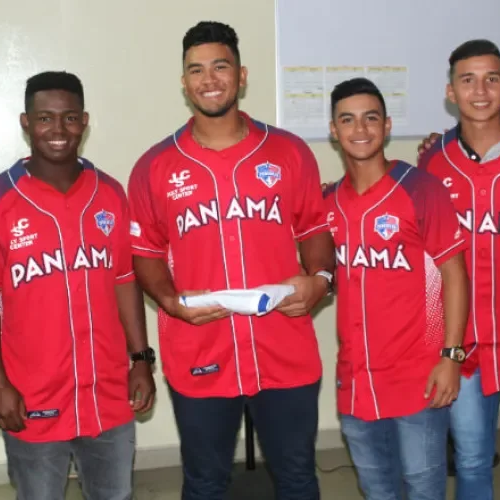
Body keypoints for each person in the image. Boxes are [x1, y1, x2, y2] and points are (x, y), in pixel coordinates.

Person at [127, 21, 335, 500]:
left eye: (220, 66)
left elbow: (314, 230)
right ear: (184, 83)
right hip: (201, 346)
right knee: (204, 483)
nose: (209, 79)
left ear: (241, 76)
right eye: (195, 70)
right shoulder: (155, 166)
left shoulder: (288, 152)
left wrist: (320, 280)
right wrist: (171, 301)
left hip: (283, 346)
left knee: (298, 478)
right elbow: (145, 253)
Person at [0, 70, 156, 500]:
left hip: (106, 392)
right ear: (25, 122)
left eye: (69, 118)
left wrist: (141, 359)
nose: (58, 130)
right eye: (45, 118)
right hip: (32, 395)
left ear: (84, 122)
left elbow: (125, 280)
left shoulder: (109, 193)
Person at [322, 77, 470, 499]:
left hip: (419, 376)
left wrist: (451, 357)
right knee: (377, 489)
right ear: (334, 130)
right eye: (347, 120)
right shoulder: (328, 203)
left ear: (386, 126)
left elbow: (454, 276)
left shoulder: (421, 190)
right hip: (356, 379)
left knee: (424, 488)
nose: (361, 129)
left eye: (371, 118)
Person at [415, 39, 500, 500]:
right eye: (468, 80)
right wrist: (434, 344)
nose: (480, 91)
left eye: (491, 79)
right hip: (463, 351)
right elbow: (428, 264)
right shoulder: (432, 161)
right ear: (450, 92)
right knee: (470, 462)